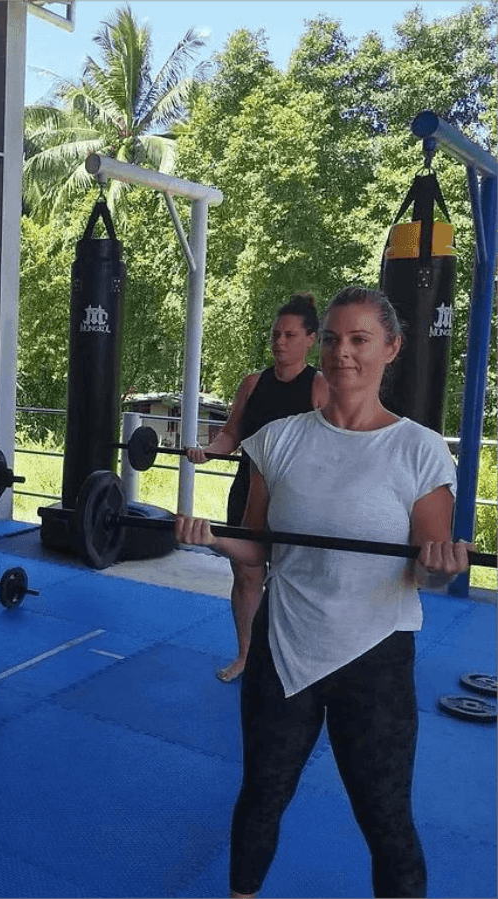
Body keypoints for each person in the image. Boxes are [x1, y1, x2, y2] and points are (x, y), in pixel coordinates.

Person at [174, 286, 471, 899]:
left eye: (360, 339)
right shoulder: (279, 441)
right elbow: (260, 548)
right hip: (283, 649)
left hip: (376, 656)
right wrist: (214, 540)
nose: (343, 354)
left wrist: (443, 563)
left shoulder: (417, 448)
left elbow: (430, 567)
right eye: (333, 339)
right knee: (261, 797)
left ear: (391, 348)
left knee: (386, 821)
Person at [185, 293, 329, 683]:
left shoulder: (319, 387)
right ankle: (246, 656)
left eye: (290, 335)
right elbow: (232, 432)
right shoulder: (252, 384)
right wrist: (208, 452)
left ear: (311, 339)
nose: (280, 341)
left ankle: (292, 660)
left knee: (292, 581)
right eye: (276, 334)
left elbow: (330, 447)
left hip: (296, 499)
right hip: (248, 490)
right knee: (246, 575)